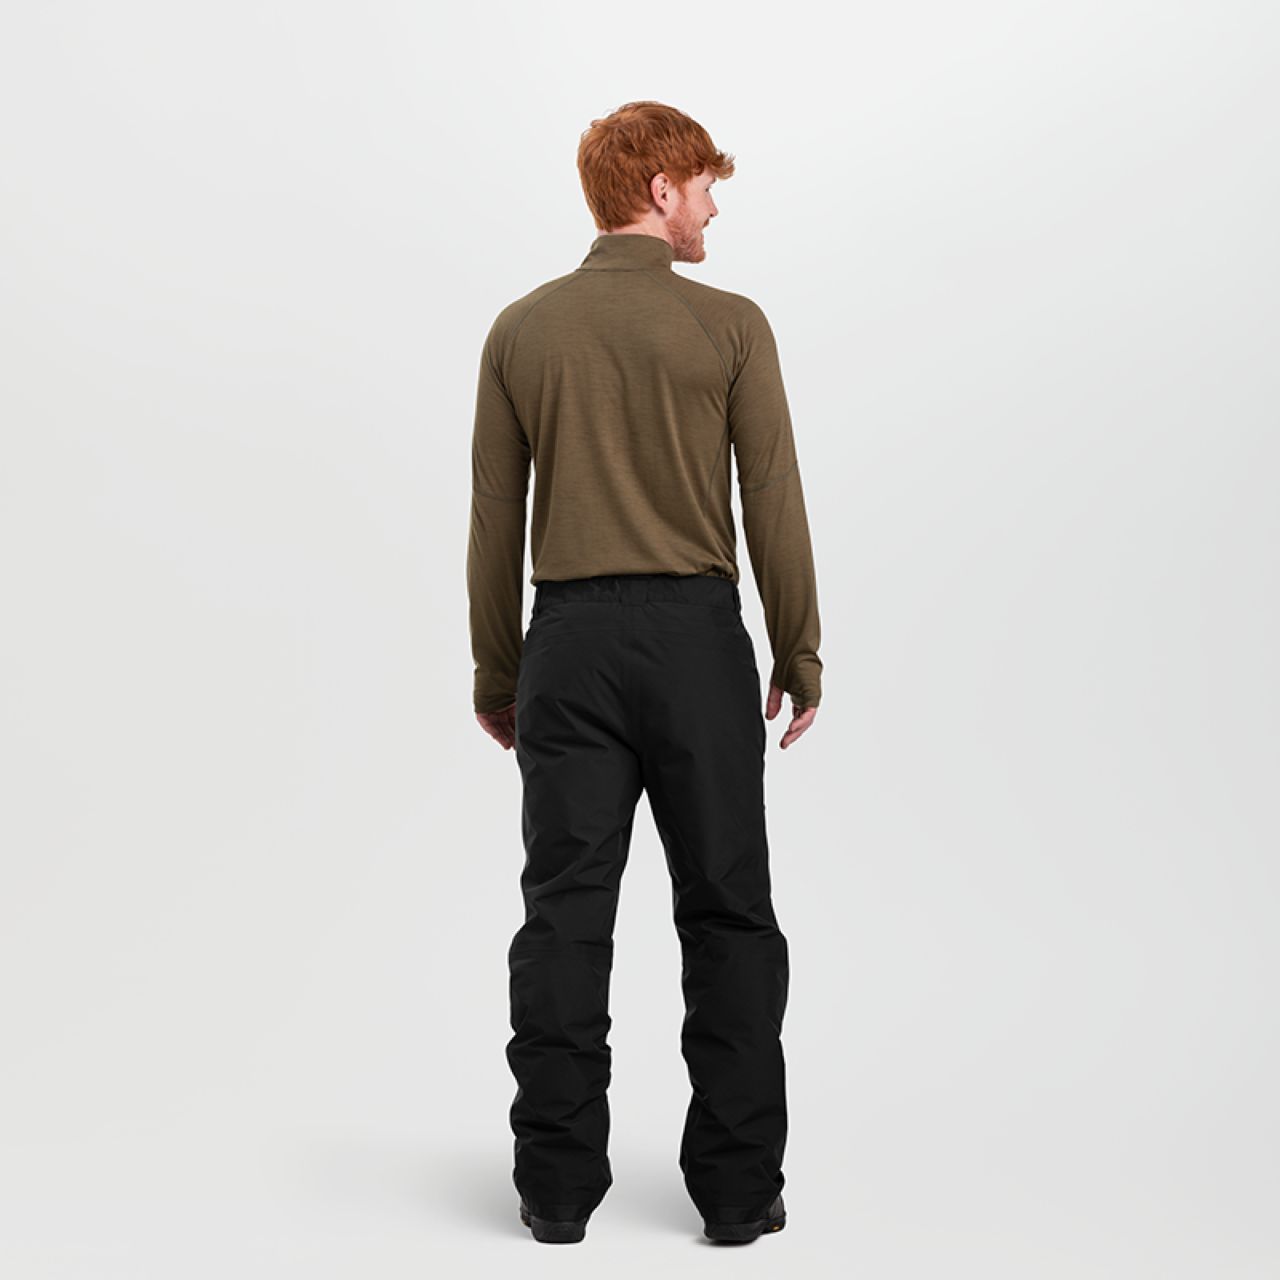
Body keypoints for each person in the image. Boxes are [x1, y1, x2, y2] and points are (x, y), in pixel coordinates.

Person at [466, 100, 823, 1245]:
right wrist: (798, 644)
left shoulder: (520, 330)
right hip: (693, 643)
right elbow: (770, 496)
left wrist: (497, 670)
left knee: (562, 916)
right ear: (660, 189)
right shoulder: (729, 326)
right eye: (705, 185)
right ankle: (736, 1189)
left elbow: (493, 518)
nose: (712, 206)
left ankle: (554, 1187)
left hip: (565, 644)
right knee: (727, 910)